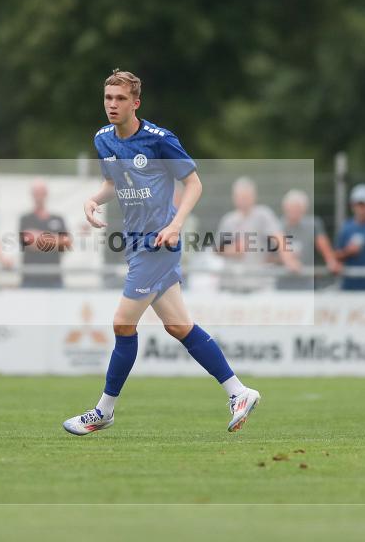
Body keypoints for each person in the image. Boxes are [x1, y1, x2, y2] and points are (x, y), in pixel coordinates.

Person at [62, 70, 260, 436]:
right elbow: (112, 183)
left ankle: (104, 410)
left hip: (158, 244)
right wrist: (92, 200)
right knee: (179, 326)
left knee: (123, 324)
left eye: (120, 99)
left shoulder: (159, 140)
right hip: (136, 244)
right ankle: (238, 391)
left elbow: (193, 183)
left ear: (135, 103)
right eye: (108, 98)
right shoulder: (103, 139)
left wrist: (176, 224)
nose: (112, 105)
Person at [217, 177, 300, 292]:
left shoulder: (263, 215)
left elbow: (278, 237)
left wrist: (288, 259)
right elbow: (217, 249)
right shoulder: (228, 220)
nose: (243, 200)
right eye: (240, 197)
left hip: (256, 284)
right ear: (234, 198)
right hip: (231, 284)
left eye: (246, 197)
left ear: (254, 197)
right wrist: (231, 250)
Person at [277, 189, 341, 290]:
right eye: (291, 208)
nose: (294, 211)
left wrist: (331, 261)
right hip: (283, 285)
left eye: (297, 208)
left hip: (307, 284)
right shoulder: (276, 226)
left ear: (304, 209)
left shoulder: (312, 225)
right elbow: (268, 256)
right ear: (285, 208)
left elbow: (323, 245)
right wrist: (287, 260)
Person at [18, 179, 71, 288]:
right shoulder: (26, 219)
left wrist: (37, 237)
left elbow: (66, 244)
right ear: (32, 195)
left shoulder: (58, 219)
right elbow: (28, 241)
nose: (39, 196)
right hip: (30, 280)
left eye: (41, 193)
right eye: (36, 193)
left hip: (54, 280)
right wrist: (55, 240)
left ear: (46, 194)